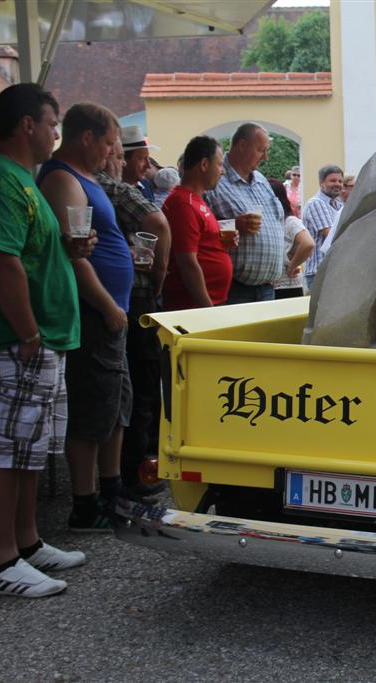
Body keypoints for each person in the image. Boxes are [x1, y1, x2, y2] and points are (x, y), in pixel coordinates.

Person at [0, 83, 89, 597]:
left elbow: (29, 251)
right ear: (27, 125)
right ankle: (1, 561)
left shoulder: (18, 177)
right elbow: (0, 261)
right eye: (53, 122)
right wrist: (28, 331)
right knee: (7, 448)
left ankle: (27, 542)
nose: (58, 132)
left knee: (30, 446)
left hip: (37, 338)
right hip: (18, 339)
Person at [38, 102, 135, 531]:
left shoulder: (89, 178)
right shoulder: (63, 178)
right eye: (109, 143)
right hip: (95, 314)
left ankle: (111, 489)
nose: (111, 152)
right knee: (91, 409)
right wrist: (107, 304)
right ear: (87, 138)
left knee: (115, 405)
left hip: (112, 312)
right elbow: (73, 255)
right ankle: (85, 501)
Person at [95, 128, 172, 496]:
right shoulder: (116, 190)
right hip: (134, 296)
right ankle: (134, 468)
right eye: (133, 157)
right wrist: (159, 276)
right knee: (139, 381)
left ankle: (136, 463)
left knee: (140, 382)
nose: (139, 164)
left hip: (130, 297)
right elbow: (157, 226)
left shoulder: (137, 189)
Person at [204, 123, 286, 304]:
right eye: (260, 150)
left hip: (267, 288)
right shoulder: (215, 180)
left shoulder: (261, 180)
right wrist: (234, 224)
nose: (266, 157)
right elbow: (198, 229)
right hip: (235, 289)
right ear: (242, 145)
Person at [161, 136, 235, 310]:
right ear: (203, 164)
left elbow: (201, 245)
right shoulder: (183, 203)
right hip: (193, 307)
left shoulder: (196, 200)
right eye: (219, 164)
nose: (222, 171)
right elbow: (187, 261)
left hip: (208, 303)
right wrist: (207, 309)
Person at [301, 164, 345, 290]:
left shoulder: (339, 204)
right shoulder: (316, 203)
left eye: (340, 181)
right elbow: (331, 236)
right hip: (319, 271)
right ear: (321, 183)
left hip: (334, 270)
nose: (337, 184)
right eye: (332, 180)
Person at [270, 179, 315, 299]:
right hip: (272, 286)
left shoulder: (290, 221)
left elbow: (308, 243)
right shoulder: (272, 222)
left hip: (287, 286)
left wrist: (292, 266)